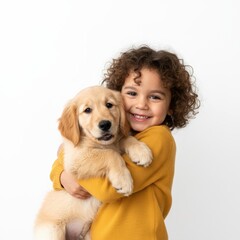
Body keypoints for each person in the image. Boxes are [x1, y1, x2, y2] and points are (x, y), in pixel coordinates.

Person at [50, 45, 200, 240]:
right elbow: (60, 171)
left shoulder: (158, 138)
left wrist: (65, 156)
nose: (141, 104)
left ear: (172, 106)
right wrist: (61, 175)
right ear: (118, 96)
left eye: (155, 97)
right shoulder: (119, 138)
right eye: (132, 93)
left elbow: (107, 190)